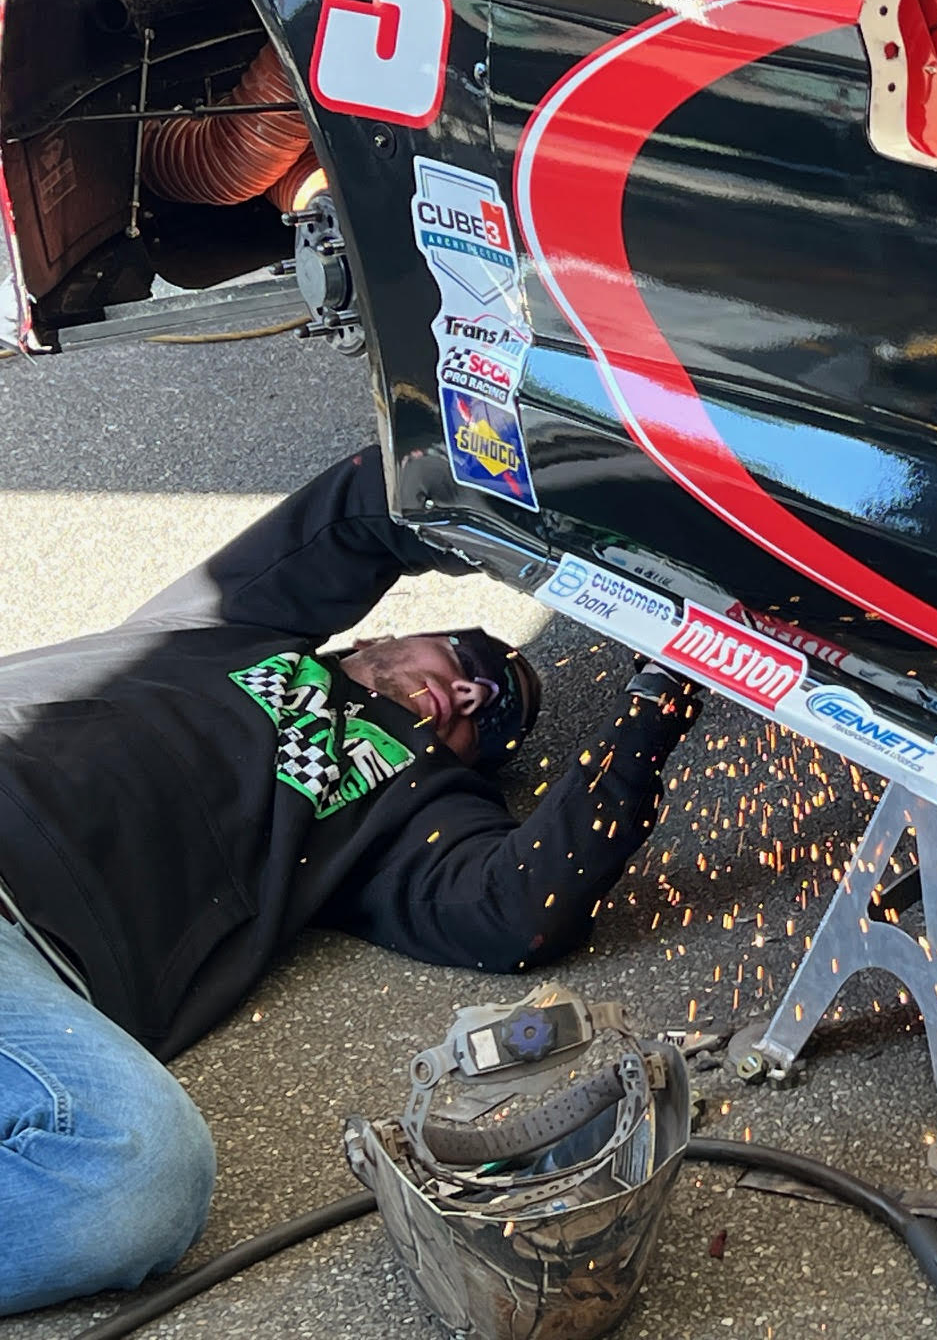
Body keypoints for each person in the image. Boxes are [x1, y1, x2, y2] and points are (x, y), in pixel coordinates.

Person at [0, 448, 703, 1313]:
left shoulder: (402, 815)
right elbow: (371, 500)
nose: (472, 694)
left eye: (495, 719)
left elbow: (519, 907)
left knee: (137, 1178)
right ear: (378, 637)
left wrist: (659, 697)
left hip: (27, 960)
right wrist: (590, 515)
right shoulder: (235, 625)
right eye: (471, 657)